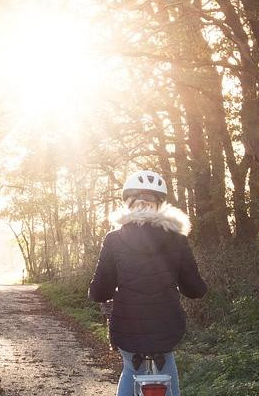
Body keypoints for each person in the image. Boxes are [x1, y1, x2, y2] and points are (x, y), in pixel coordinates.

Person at [89, 170, 207, 396]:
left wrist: (96, 293)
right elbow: (194, 288)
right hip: (167, 326)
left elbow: (101, 289)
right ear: (160, 205)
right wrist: (200, 288)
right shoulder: (178, 239)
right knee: (169, 369)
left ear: (128, 204)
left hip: (127, 327)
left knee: (131, 369)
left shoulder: (114, 239)